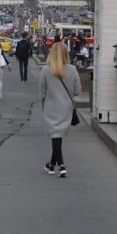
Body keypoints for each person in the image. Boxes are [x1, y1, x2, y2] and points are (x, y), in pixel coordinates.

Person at [39, 42, 80, 177]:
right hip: (66, 107)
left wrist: (43, 107)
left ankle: (62, 165)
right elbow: (78, 91)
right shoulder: (72, 70)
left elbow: (42, 93)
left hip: (51, 107)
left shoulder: (45, 70)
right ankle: (51, 165)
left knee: (55, 134)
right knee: (58, 135)